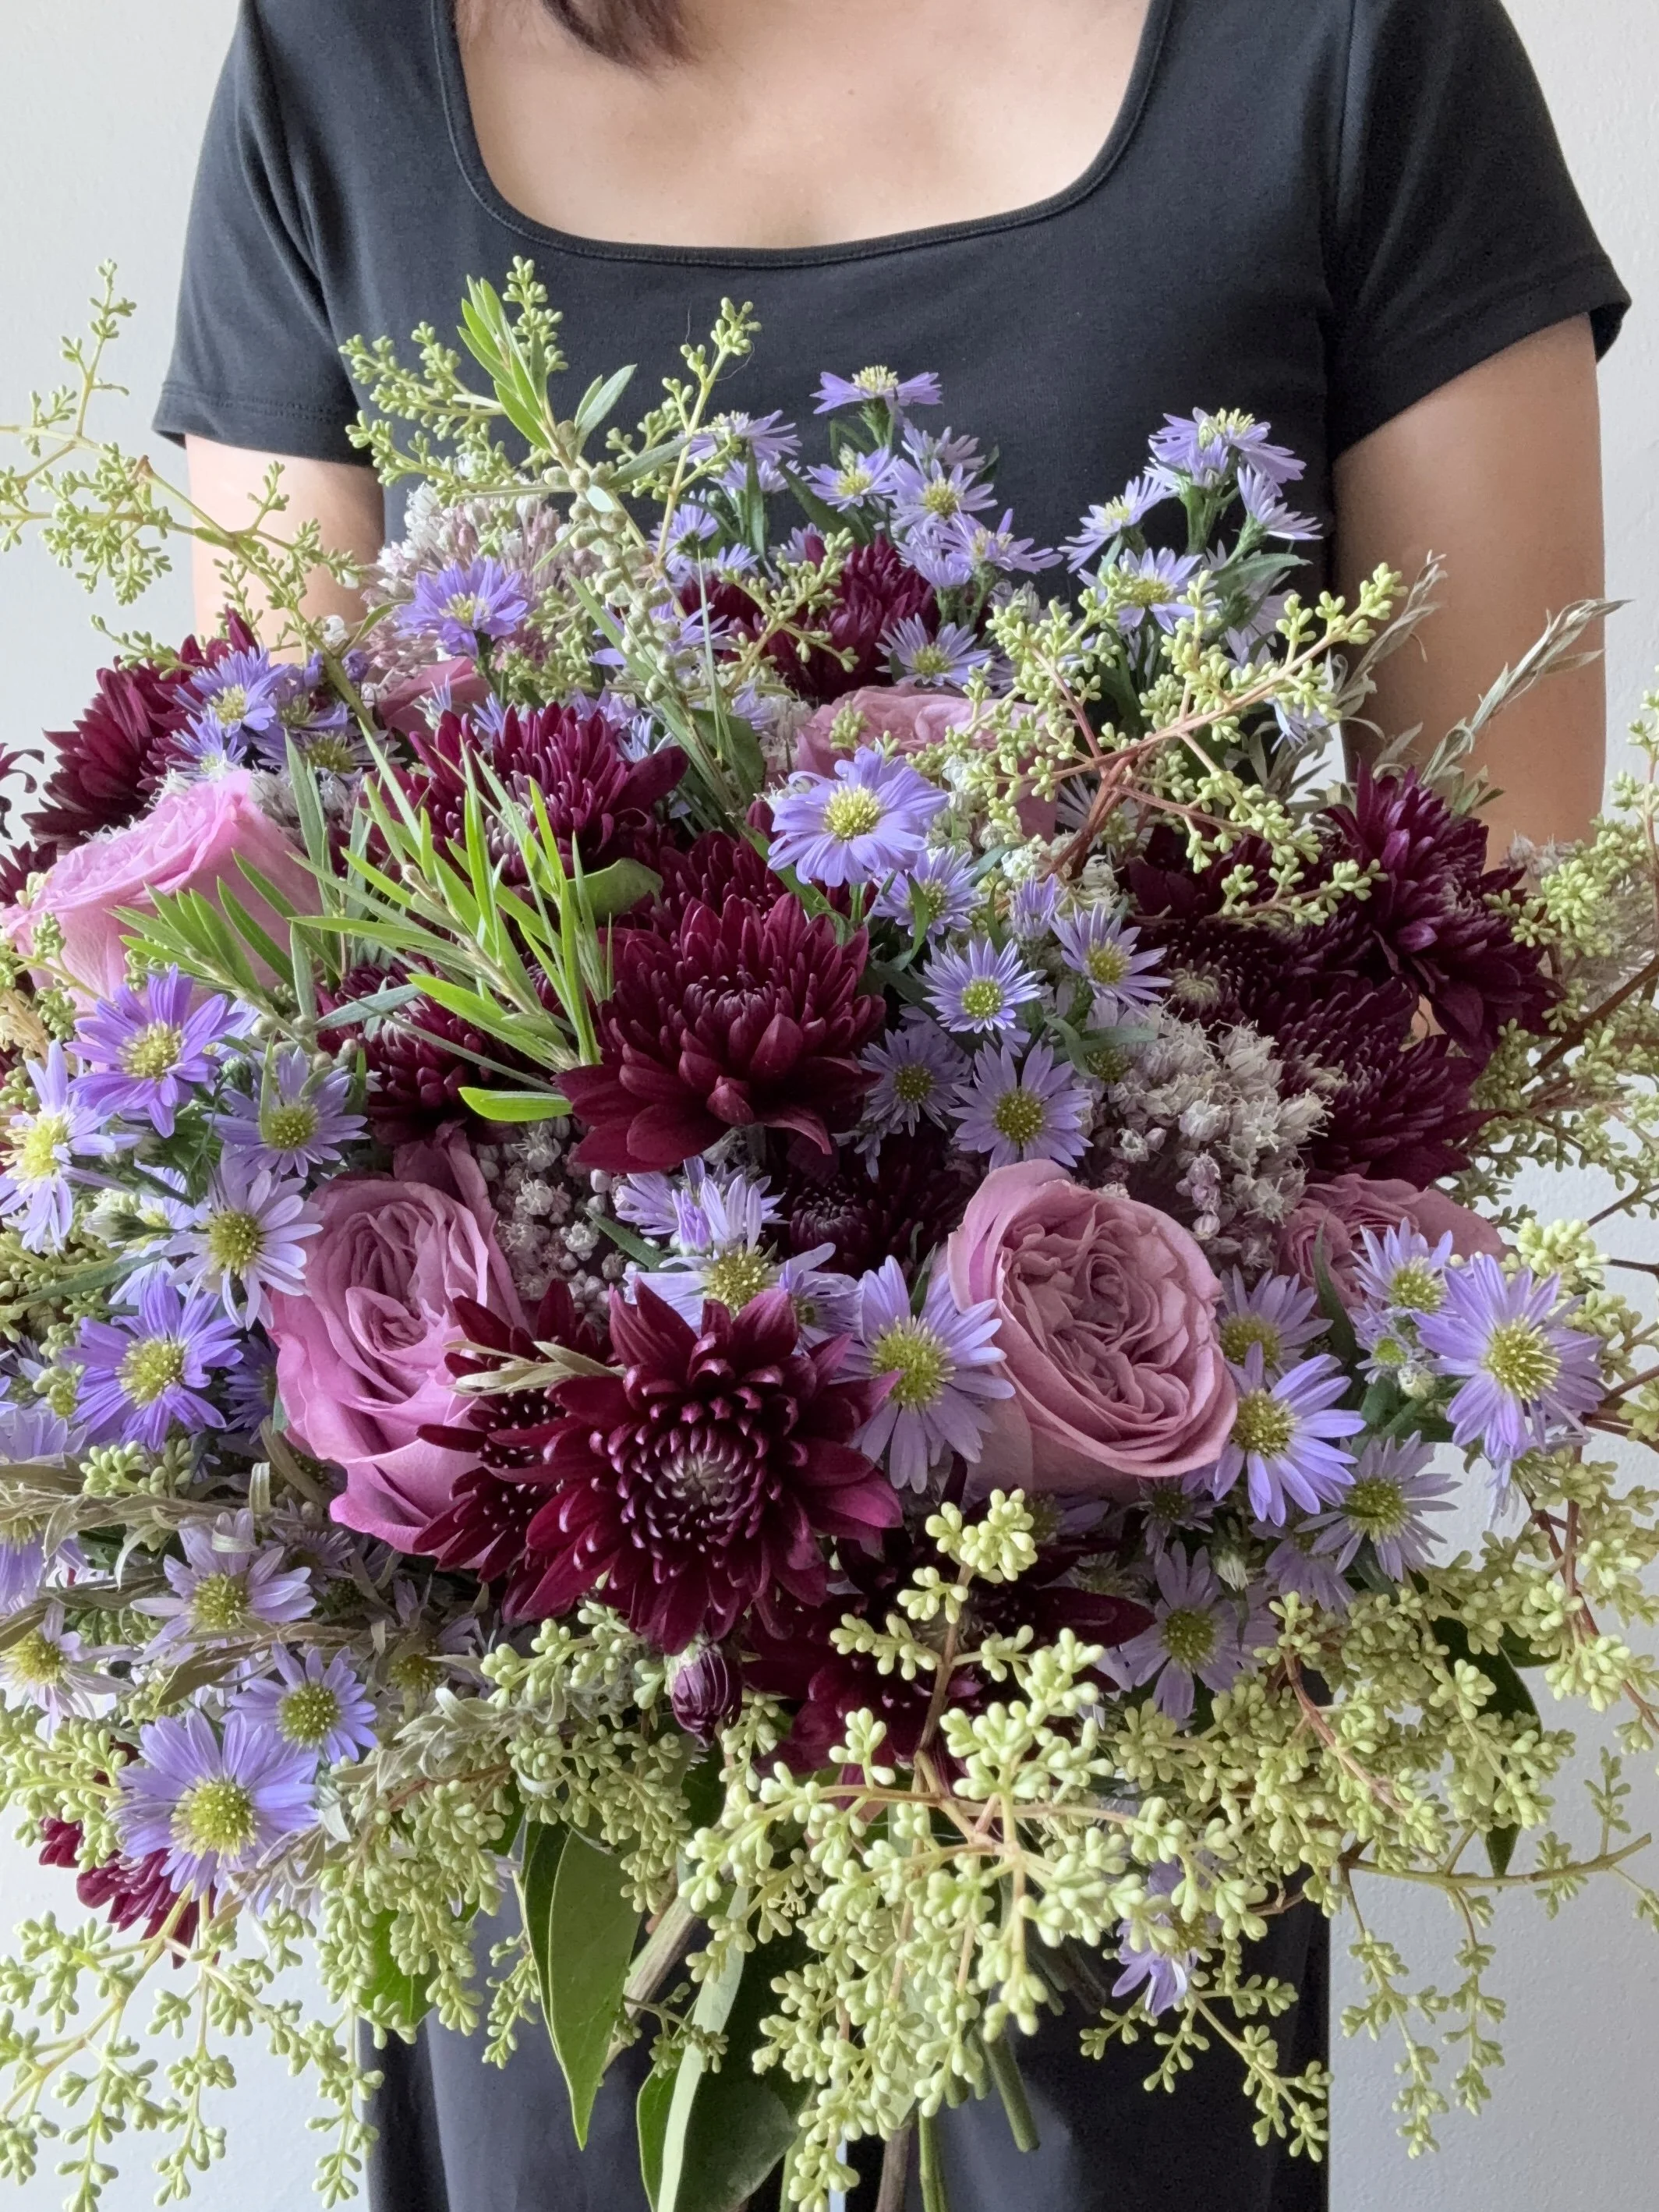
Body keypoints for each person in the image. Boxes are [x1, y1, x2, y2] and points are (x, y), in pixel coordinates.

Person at [157, 2, 1628, 2206]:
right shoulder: (346, 67)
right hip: (571, 1699)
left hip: (1115, 1694)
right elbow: (283, 940)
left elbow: (1494, 931)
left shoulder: (1349, 47)